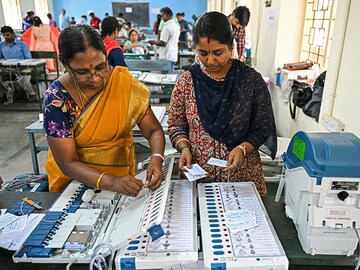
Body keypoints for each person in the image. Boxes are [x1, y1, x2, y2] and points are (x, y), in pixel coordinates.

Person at [43, 24, 165, 194]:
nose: (95, 78)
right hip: (73, 184)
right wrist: (112, 182)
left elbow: (153, 131)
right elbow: (67, 162)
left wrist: (157, 157)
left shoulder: (123, 83)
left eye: (100, 67)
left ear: (106, 56)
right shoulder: (56, 99)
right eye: (82, 72)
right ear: (64, 63)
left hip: (121, 178)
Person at [167, 11, 277, 197]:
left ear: (230, 47)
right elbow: (176, 124)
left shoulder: (249, 81)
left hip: (240, 174)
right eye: (203, 53)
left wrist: (243, 148)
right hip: (198, 175)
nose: (210, 60)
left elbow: (262, 127)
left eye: (218, 53)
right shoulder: (187, 82)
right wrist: (184, 148)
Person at [0, 25, 37, 100]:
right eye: (4, 35)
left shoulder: (22, 44)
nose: (6, 37)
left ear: (13, 34)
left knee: (23, 78)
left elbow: (28, 59)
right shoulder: (1, 45)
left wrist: (20, 68)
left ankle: (32, 94)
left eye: (8, 35)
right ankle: (9, 92)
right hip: (8, 69)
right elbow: (1, 58)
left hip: (23, 68)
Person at [148, 7, 180, 74]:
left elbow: (163, 43)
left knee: (165, 78)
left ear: (167, 15)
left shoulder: (167, 27)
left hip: (166, 56)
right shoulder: (176, 25)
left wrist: (153, 42)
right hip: (172, 54)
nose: (162, 18)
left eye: (162, 16)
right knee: (170, 77)